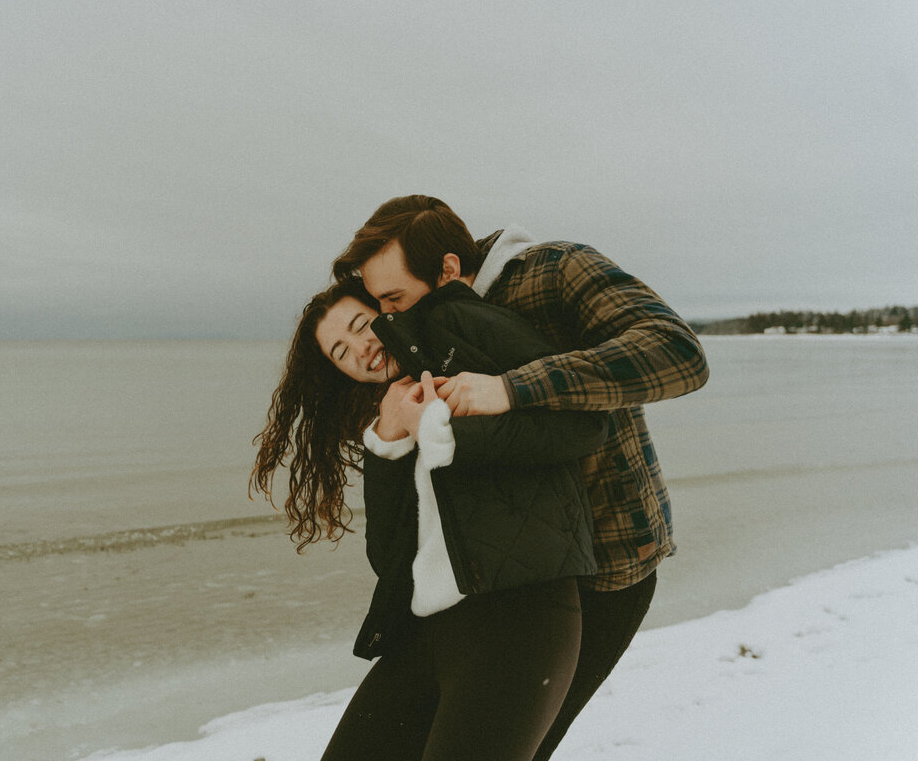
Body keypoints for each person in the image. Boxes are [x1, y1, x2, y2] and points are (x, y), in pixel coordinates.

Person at [331, 194, 710, 760]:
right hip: (495, 580)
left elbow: (677, 353)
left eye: (394, 298)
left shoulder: (553, 272)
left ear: (449, 270)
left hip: (606, 569)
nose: (388, 317)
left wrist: (513, 388)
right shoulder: (418, 326)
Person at [252, 276, 610, 759]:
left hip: (522, 622)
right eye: (340, 352)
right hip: (429, 633)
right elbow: (388, 558)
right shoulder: (391, 412)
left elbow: (580, 428)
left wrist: (441, 433)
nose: (360, 349)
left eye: (362, 326)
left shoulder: (469, 368)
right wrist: (388, 440)